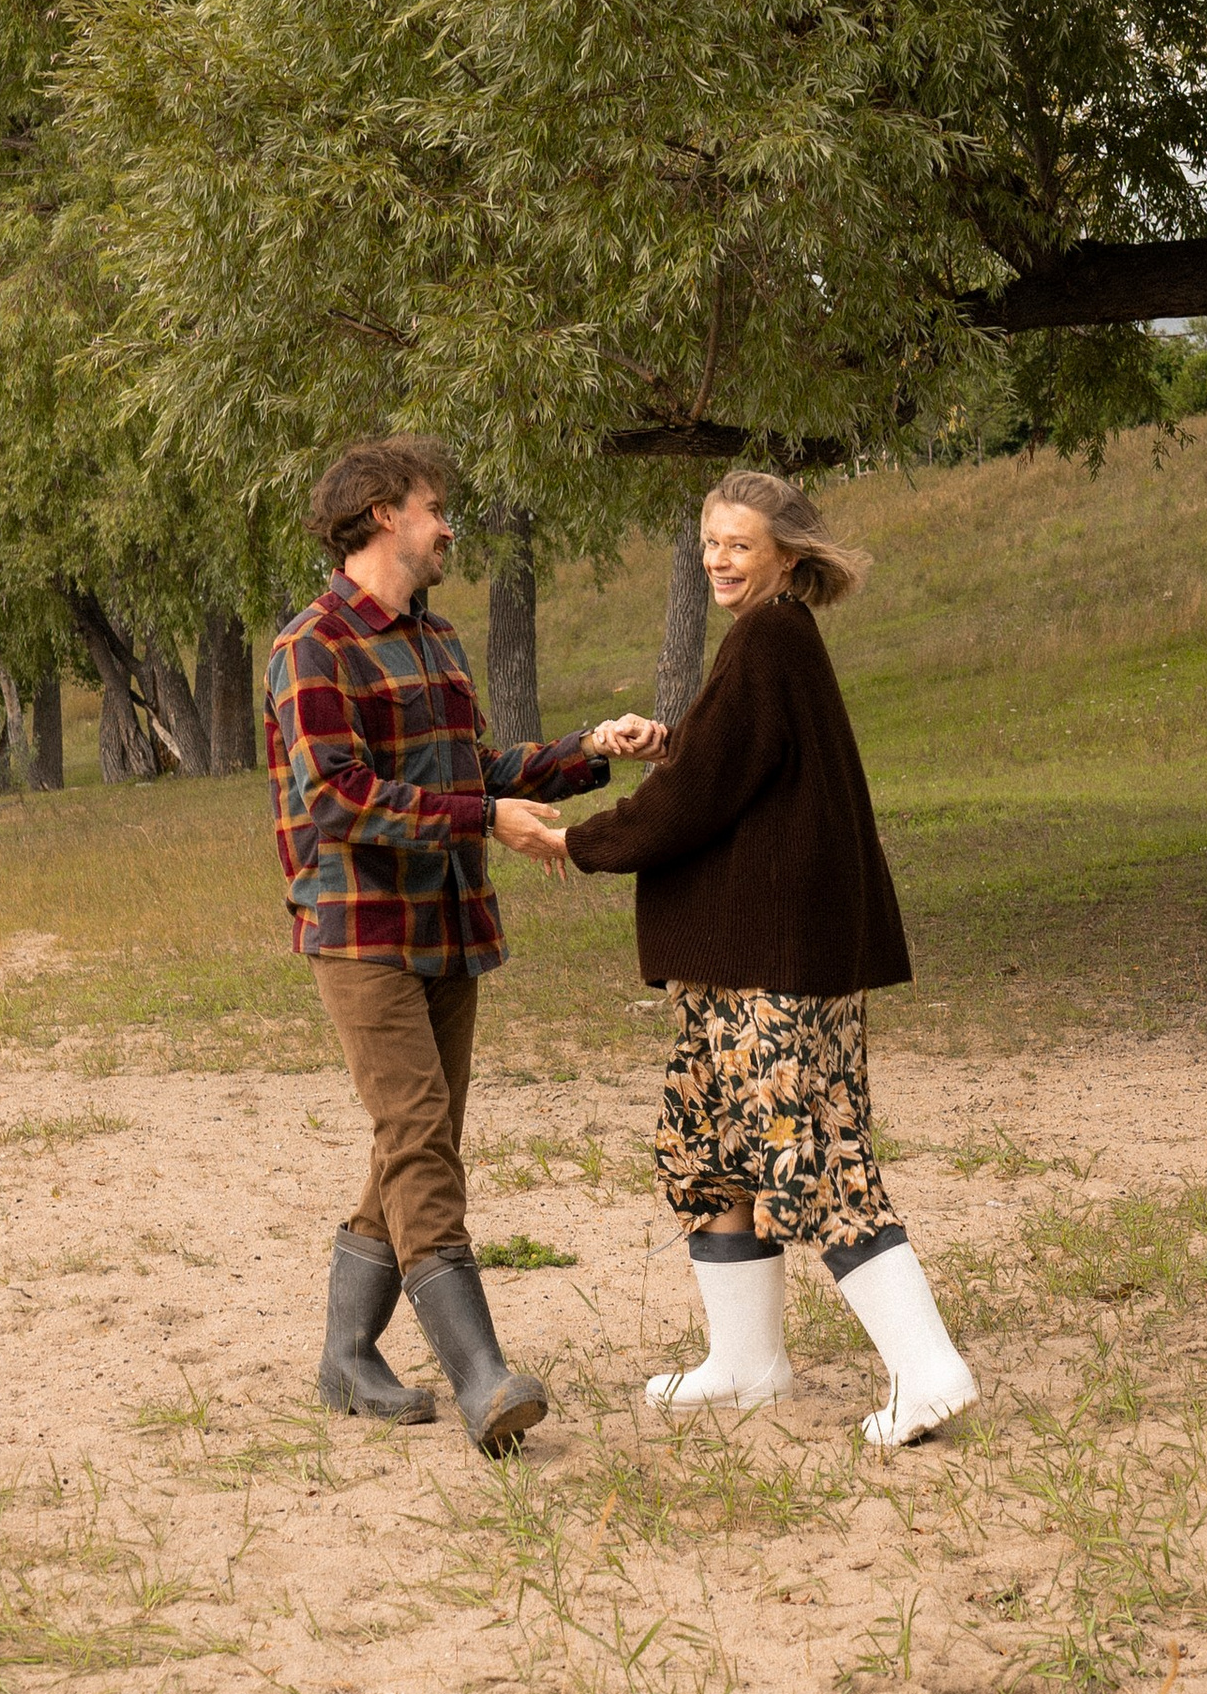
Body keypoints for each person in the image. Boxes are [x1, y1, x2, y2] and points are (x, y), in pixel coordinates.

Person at [504, 470, 976, 1449]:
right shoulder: (766, 642)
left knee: (811, 1152)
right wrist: (675, 740)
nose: (720, 558)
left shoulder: (770, 635)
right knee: (710, 1147)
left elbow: (696, 800)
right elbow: (730, 762)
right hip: (734, 967)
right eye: (710, 542)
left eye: (740, 544)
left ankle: (928, 1371)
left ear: (786, 557)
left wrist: (573, 842)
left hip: (777, 968)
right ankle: (746, 1361)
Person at [266, 438, 666, 1454]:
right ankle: (482, 1376)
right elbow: (338, 796)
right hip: (361, 929)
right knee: (418, 1137)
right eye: (434, 507)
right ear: (378, 514)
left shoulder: (435, 639)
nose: (448, 526)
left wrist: (585, 752)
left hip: (447, 918)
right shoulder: (309, 645)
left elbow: (476, 767)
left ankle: (347, 1358)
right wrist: (487, 818)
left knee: (419, 1135)